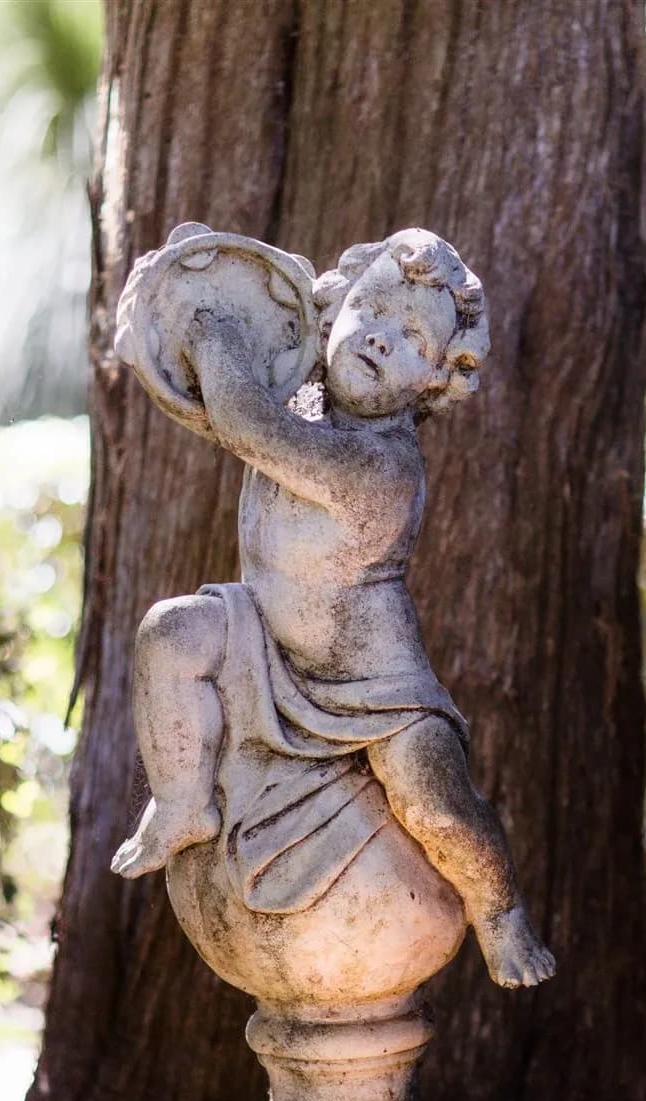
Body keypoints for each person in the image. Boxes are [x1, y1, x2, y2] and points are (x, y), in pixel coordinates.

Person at [109, 229, 556, 988]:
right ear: (333, 306)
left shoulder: (382, 469)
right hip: (264, 639)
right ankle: (183, 801)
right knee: (171, 634)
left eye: (414, 339)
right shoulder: (303, 406)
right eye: (373, 308)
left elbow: (248, 425)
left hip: (373, 688)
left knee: (435, 802)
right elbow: (213, 408)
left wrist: (212, 333)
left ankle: (499, 908)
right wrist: (177, 302)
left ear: (436, 381)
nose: (382, 337)